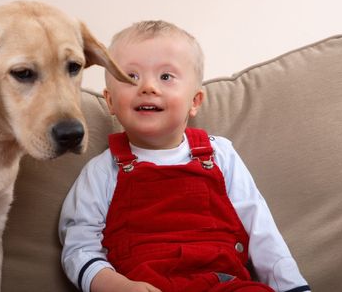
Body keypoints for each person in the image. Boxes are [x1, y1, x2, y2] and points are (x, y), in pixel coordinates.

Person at [59, 20, 311, 292]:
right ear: (109, 101)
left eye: (165, 77)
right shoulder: (102, 170)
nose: (148, 87)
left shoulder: (220, 154)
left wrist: (294, 288)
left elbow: (262, 232)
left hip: (224, 285)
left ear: (195, 101)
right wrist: (113, 285)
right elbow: (79, 247)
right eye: (131, 77)